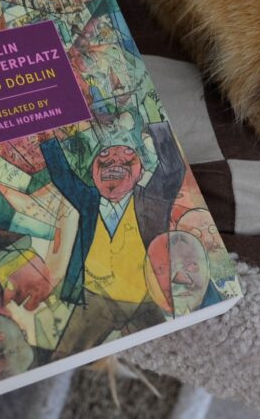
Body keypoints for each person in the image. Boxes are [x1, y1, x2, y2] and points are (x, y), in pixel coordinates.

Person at [40, 121, 186, 357]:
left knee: (174, 353)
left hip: (144, 299)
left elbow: (173, 171)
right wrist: (47, 138)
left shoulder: (152, 201)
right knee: (63, 357)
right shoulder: (88, 200)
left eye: (128, 155)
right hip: (96, 298)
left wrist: (158, 127)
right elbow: (62, 176)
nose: (115, 161)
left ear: (140, 173)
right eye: (105, 156)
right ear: (92, 173)